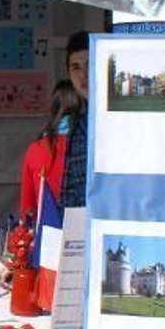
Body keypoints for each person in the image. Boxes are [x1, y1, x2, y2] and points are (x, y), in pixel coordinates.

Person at [16, 80, 80, 311]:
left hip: (47, 254)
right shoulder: (91, 150)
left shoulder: (37, 150)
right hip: (82, 244)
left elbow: (27, 210)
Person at [59, 32, 91, 209]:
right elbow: (68, 193)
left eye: (89, 64)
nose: (83, 74)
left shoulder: (122, 118)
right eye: (76, 68)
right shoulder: (75, 127)